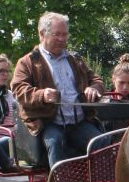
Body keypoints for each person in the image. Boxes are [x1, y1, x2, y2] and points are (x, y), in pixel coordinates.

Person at [11, 11, 104, 167]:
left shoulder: (75, 59)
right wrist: (42, 95)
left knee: (102, 143)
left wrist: (94, 88)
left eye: (65, 34)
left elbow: (96, 80)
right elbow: (18, 89)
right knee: (55, 143)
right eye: (57, 34)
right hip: (49, 122)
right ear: (42, 34)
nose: (62, 39)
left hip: (78, 122)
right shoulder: (27, 62)